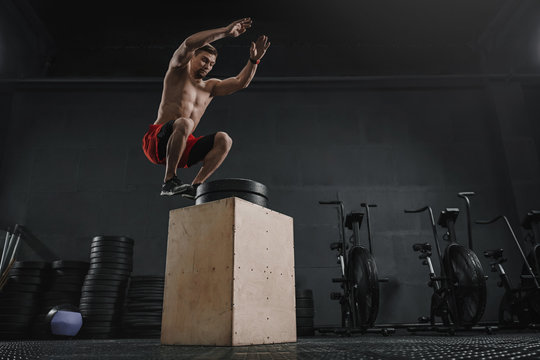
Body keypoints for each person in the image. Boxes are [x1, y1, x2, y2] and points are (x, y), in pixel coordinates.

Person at [142, 18, 270, 198]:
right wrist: (226, 31)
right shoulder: (178, 71)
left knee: (224, 139)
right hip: (157, 142)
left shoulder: (210, 87)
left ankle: (196, 187)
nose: (207, 66)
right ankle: (169, 182)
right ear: (192, 57)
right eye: (204, 60)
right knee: (185, 123)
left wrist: (253, 61)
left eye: (211, 64)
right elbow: (188, 43)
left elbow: (240, 82)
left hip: (181, 147)